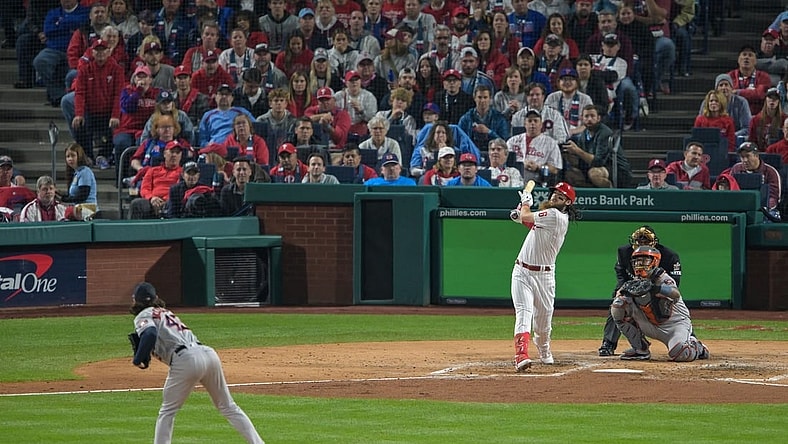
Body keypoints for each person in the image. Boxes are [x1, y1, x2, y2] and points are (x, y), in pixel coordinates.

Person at [129, 282, 265, 444]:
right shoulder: (165, 312)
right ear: (156, 298)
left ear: (135, 301)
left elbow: (150, 333)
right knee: (228, 407)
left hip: (186, 360)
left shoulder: (143, 316)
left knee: (167, 412)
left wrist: (137, 358)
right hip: (208, 354)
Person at [509, 181, 579, 371]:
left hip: (544, 277)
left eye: (560, 196)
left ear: (567, 202)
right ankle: (521, 355)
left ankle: (544, 350)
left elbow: (526, 215)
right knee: (524, 313)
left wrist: (524, 203)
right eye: (554, 193)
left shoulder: (556, 216)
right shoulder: (549, 216)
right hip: (522, 272)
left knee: (543, 323)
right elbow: (528, 221)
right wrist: (519, 215)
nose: (554, 197)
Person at [611, 246, 709, 362]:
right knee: (618, 305)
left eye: (644, 261)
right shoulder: (633, 283)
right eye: (637, 261)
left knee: (681, 354)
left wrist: (655, 288)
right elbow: (619, 298)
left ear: (655, 261)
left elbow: (675, 294)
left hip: (675, 325)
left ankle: (697, 346)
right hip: (649, 324)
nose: (639, 264)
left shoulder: (663, 278)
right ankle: (640, 349)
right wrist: (623, 293)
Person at [61, 39, 124, 163]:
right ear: (92, 52)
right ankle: (87, 156)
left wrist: (115, 115)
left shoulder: (116, 69)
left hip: (108, 111)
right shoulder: (85, 70)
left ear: (109, 52)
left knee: (116, 127)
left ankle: (104, 155)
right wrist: (79, 114)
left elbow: (119, 94)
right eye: (97, 51)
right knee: (78, 124)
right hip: (90, 111)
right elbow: (80, 93)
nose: (100, 54)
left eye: (103, 51)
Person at [33, 0, 90, 107]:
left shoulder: (85, 11)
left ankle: (75, 99)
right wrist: (69, 27)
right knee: (39, 61)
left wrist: (60, 23)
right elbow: (48, 30)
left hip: (78, 51)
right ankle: (59, 95)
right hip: (55, 49)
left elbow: (83, 23)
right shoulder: (53, 13)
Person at [562, 104, 632, 188]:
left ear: (598, 118)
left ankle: (611, 195)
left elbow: (598, 161)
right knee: (570, 174)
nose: (589, 119)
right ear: (582, 118)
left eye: (592, 116)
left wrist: (577, 150)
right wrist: (568, 155)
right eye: (586, 116)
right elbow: (581, 162)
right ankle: (591, 197)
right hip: (596, 168)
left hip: (617, 170)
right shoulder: (584, 134)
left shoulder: (604, 133)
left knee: (594, 174)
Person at [128, 140, 183, 219]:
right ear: (164, 154)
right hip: (152, 200)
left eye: (177, 153)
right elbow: (144, 188)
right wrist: (152, 198)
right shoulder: (153, 170)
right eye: (171, 152)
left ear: (181, 156)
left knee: (172, 205)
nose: (174, 155)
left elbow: (179, 190)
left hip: (170, 202)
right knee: (136, 203)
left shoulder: (183, 173)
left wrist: (163, 201)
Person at [506, 110, 562, 185]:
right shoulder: (513, 141)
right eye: (529, 121)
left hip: (538, 182)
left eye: (535, 121)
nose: (532, 123)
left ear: (541, 124)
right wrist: (521, 164)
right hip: (513, 181)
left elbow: (555, 169)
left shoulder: (551, 143)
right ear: (525, 124)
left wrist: (538, 167)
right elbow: (504, 161)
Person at [727, 142, 782, 213]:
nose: (745, 160)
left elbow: (773, 198)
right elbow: (731, 192)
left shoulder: (771, 172)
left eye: (748, 156)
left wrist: (762, 208)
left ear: (756, 155)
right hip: (739, 208)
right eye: (742, 157)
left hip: (763, 210)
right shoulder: (736, 169)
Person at [458, 85, 511, 153]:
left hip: (494, 153)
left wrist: (489, 132)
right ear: (474, 98)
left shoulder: (499, 118)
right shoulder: (466, 119)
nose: (482, 100)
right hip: (471, 153)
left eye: (485, 97)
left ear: (490, 99)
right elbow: (460, 140)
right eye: (479, 97)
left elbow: (504, 142)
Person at [18, 175, 91, 222]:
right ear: (38, 191)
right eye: (45, 189)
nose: (48, 192)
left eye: (51, 188)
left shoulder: (61, 208)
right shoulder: (29, 210)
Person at [545, 68, 594, 136]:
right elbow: (545, 120)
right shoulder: (551, 98)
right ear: (559, 82)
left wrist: (571, 132)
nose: (567, 82)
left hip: (579, 136)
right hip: (555, 135)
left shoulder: (585, 99)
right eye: (564, 79)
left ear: (577, 82)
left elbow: (589, 123)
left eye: (571, 79)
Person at [703, 73, 751, 141]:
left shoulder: (742, 102)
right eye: (721, 85)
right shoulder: (707, 102)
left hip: (735, 137)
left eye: (726, 84)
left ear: (732, 88)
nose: (724, 88)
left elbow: (747, 128)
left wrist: (729, 136)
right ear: (716, 89)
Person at [727, 45, 772, 116]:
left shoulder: (764, 76)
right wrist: (751, 93)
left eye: (750, 55)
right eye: (744, 55)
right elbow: (726, 95)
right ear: (738, 59)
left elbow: (760, 95)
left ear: (755, 61)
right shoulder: (729, 76)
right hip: (734, 116)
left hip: (757, 116)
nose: (746, 57)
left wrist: (738, 92)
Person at [335, 70, 378, 136]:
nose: (354, 82)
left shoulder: (369, 96)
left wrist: (361, 111)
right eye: (351, 80)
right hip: (342, 129)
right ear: (346, 83)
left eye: (356, 80)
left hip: (361, 129)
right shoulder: (338, 96)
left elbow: (372, 119)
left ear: (360, 81)